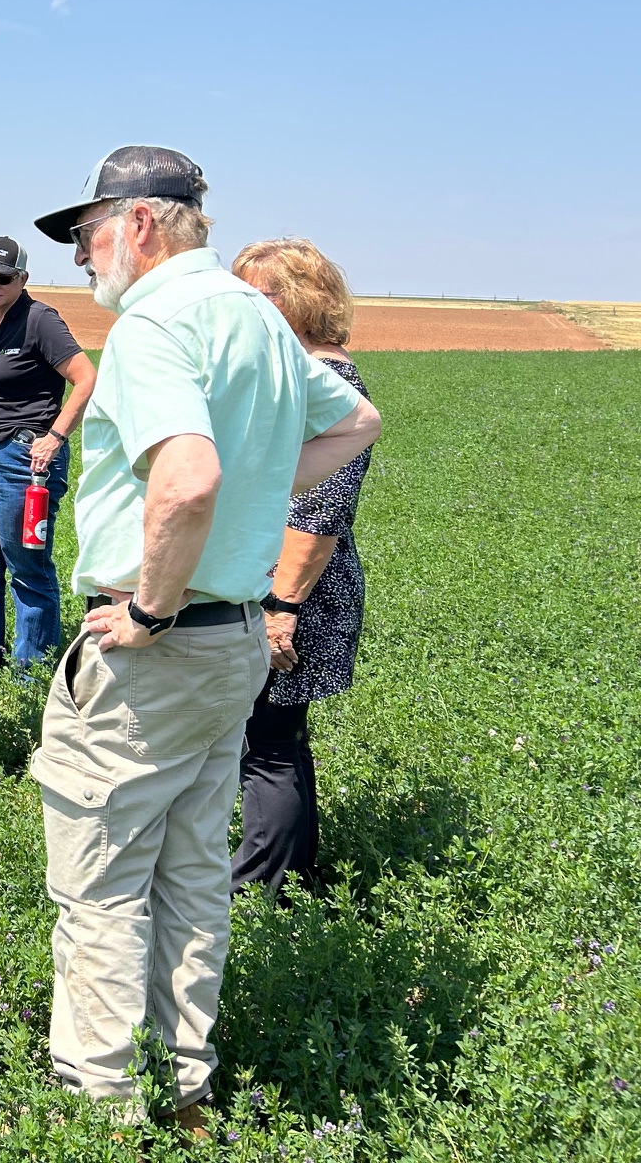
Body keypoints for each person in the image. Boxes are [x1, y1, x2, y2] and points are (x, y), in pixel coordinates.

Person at [28, 148, 381, 1132]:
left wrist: (144, 608)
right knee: (189, 872)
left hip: (157, 648)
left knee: (99, 884)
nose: (80, 259)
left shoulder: (154, 324)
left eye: (87, 233)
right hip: (230, 645)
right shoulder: (258, 320)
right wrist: (264, 490)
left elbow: (184, 481)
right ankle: (188, 1084)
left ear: (139, 223)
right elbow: (357, 419)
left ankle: (98, 1110)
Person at [228, 239, 374, 900]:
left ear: (297, 301)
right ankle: (299, 873)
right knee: (282, 735)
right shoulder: (306, 371)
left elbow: (320, 511)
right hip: (292, 584)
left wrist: (280, 609)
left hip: (297, 590)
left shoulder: (331, 383)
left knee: (266, 745)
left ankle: (259, 887)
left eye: (256, 296)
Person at [0, 235, 97, 679]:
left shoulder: (40, 321)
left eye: (1, 277)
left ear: (23, 279)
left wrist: (55, 435)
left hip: (23, 460)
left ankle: (31, 674)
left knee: (26, 564)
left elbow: (85, 377)